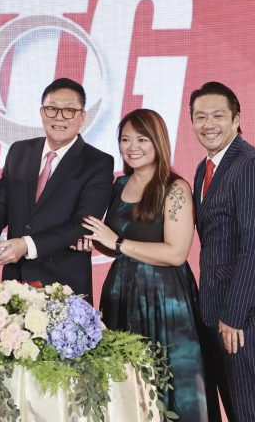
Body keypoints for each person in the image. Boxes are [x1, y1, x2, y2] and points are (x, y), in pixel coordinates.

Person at [81, 109, 217, 421]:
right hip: (121, 294)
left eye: (142, 139)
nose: (132, 147)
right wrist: (94, 241)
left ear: (158, 141)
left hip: (164, 299)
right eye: (125, 139)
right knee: (125, 384)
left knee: (171, 383)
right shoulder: (119, 184)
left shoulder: (175, 187)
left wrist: (117, 243)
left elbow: (176, 253)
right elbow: (114, 242)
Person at [190, 81, 255, 422]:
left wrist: (233, 315)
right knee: (235, 408)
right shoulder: (205, 168)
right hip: (217, 309)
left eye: (218, 115)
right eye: (200, 117)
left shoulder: (251, 166)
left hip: (246, 313)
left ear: (236, 119)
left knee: (251, 411)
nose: (208, 124)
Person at [0, 78, 113, 301]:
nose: (59, 117)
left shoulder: (98, 162)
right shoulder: (19, 151)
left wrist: (26, 245)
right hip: (14, 282)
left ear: (82, 117)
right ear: (42, 112)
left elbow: (83, 223)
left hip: (63, 286)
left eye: (69, 111)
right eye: (52, 109)